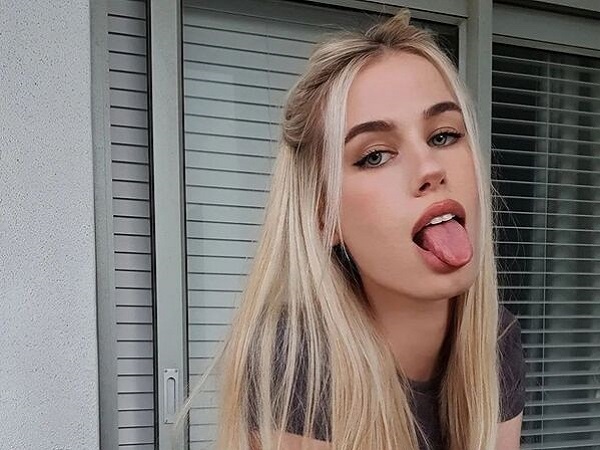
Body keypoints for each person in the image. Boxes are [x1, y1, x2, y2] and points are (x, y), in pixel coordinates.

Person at [174, 9, 526, 450]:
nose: (430, 168)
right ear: (325, 216)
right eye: (375, 155)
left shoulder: (495, 338)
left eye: (443, 136)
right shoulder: (297, 358)